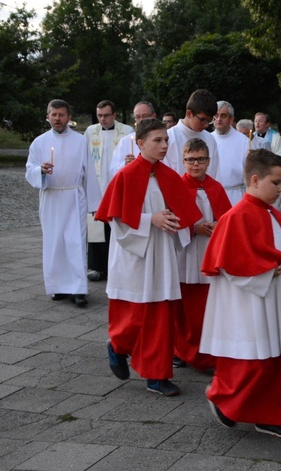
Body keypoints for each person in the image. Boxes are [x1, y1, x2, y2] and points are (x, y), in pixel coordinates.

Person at [200, 149, 281, 439]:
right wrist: (262, 272)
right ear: (255, 179)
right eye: (275, 183)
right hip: (248, 303)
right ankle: (226, 400)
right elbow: (228, 265)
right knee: (256, 360)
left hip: (277, 298)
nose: (280, 189)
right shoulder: (235, 217)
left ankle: (271, 414)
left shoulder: (273, 214)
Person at [95, 119, 201, 397]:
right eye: (157, 140)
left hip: (162, 251)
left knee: (160, 314)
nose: (164, 145)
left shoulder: (168, 176)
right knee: (134, 315)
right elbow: (116, 220)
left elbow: (182, 214)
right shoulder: (125, 176)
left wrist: (176, 223)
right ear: (140, 143)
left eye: (166, 140)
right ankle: (117, 346)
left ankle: (157, 375)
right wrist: (149, 220)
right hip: (134, 254)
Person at [25, 99, 102, 307]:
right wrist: (40, 170)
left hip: (74, 197)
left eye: (61, 115)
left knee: (75, 242)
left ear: (69, 118)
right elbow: (29, 169)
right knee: (54, 243)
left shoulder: (80, 141)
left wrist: (94, 203)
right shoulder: (39, 142)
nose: (57, 118)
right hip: (51, 197)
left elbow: (90, 174)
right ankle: (58, 287)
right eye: (54, 114)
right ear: (48, 116)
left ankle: (78, 289)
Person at [174, 138, 231, 371]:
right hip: (185, 252)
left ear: (208, 161)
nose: (195, 164)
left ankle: (206, 352)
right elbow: (172, 218)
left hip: (209, 251)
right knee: (185, 307)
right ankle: (181, 350)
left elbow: (228, 219)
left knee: (206, 307)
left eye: (200, 159)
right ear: (183, 161)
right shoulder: (176, 187)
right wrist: (193, 228)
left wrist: (218, 226)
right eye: (190, 160)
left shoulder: (216, 187)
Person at [85, 100, 134, 282]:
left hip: (116, 185)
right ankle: (97, 267)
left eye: (106, 115)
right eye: (100, 115)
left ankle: (117, 267)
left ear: (114, 115)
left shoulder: (127, 132)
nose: (103, 119)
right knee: (96, 228)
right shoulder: (91, 132)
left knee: (116, 227)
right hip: (96, 185)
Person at [165, 90, 219, 176]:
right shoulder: (168, 137)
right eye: (202, 119)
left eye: (209, 121)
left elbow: (214, 173)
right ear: (189, 113)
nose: (206, 125)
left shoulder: (210, 139)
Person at [212, 101, 250, 205]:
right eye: (216, 115)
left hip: (235, 195)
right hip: (212, 194)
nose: (219, 119)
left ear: (231, 119)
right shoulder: (207, 138)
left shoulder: (243, 141)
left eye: (223, 116)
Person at [109, 101, 157, 176]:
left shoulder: (163, 138)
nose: (141, 120)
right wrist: (125, 164)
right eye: (138, 117)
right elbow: (113, 169)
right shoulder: (125, 141)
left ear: (153, 116)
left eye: (145, 116)